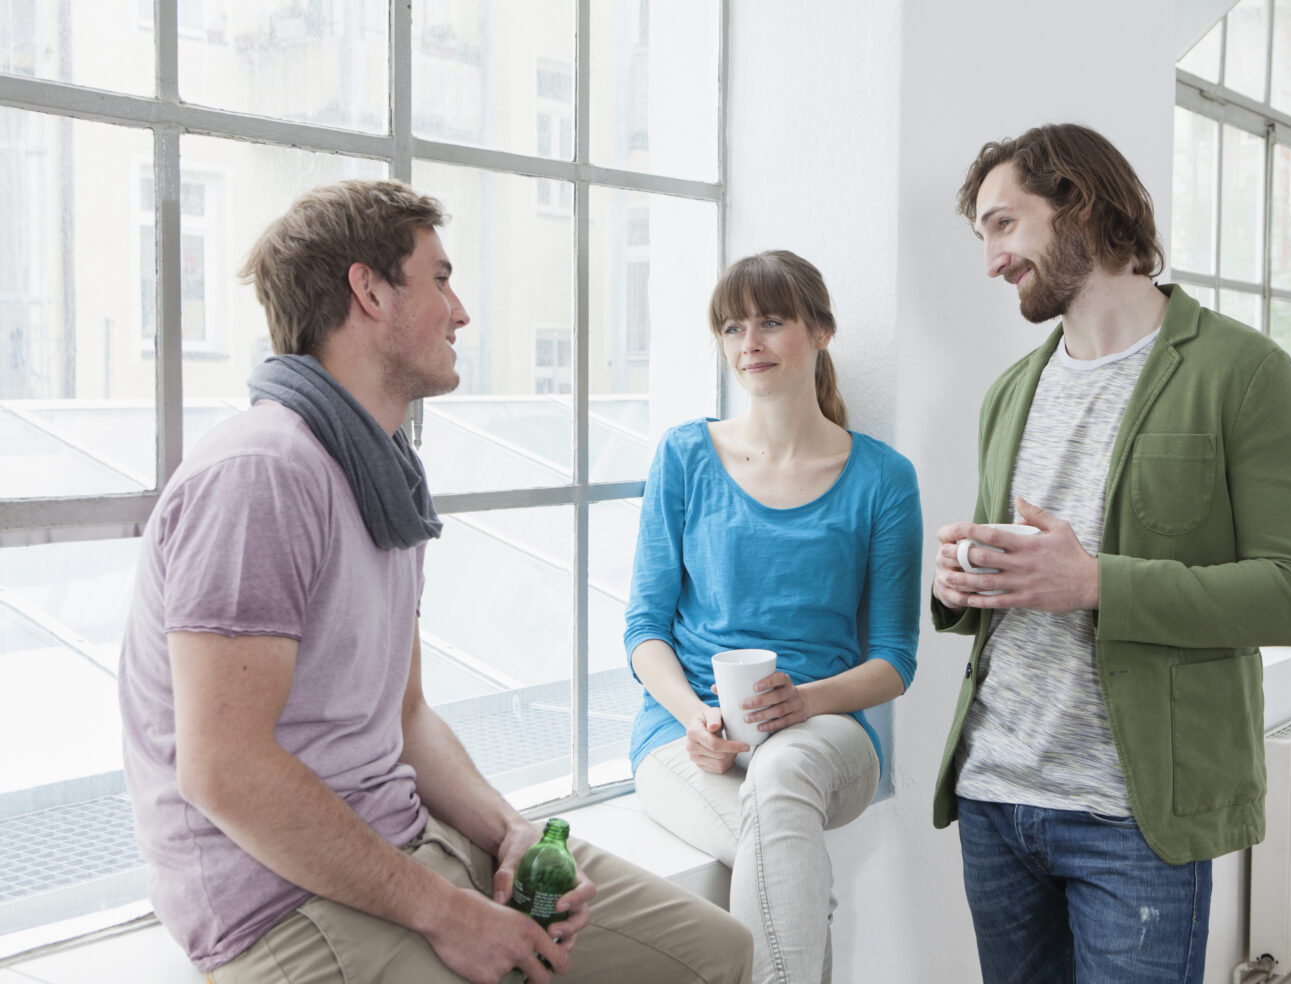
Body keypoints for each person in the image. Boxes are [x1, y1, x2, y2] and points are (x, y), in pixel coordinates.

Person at [119, 179, 752, 984]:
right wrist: (449, 914)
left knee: (716, 956)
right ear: (369, 290)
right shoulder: (263, 472)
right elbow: (224, 769)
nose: (460, 312)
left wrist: (510, 830)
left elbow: (406, 717)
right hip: (289, 909)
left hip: (408, 843)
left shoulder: (378, 471)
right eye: (441, 278)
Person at [930, 125, 1291, 983]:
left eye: (1005, 225)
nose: (991, 261)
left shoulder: (1245, 372)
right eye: (983, 237)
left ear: (1078, 205)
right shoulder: (1011, 391)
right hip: (996, 797)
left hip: (1134, 816)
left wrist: (1095, 582)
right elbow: (1018, 576)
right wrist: (960, 584)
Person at [623, 250, 923, 984]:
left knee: (784, 773)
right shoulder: (686, 457)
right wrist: (696, 716)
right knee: (790, 873)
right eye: (731, 327)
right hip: (683, 736)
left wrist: (804, 703)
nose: (747, 342)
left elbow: (894, 661)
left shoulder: (883, 478)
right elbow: (645, 629)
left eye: (770, 321)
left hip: (826, 734)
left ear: (821, 332)